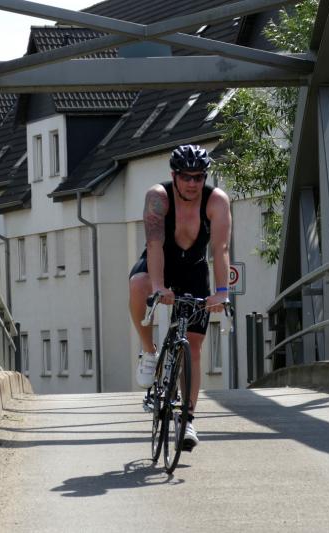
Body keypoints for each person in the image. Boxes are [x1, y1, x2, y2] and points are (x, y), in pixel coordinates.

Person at [128, 144, 231, 451]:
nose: (192, 183)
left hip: (194, 268)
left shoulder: (216, 201)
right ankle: (149, 351)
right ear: (174, 175)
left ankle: (187, 419)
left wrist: (222, 292)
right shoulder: (158, 198)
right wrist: (159, 287)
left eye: (198, 177)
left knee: (194, 346)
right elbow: (154, 244)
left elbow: (220, 249)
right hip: (161, 261)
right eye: (186, 176)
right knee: (139, 284)